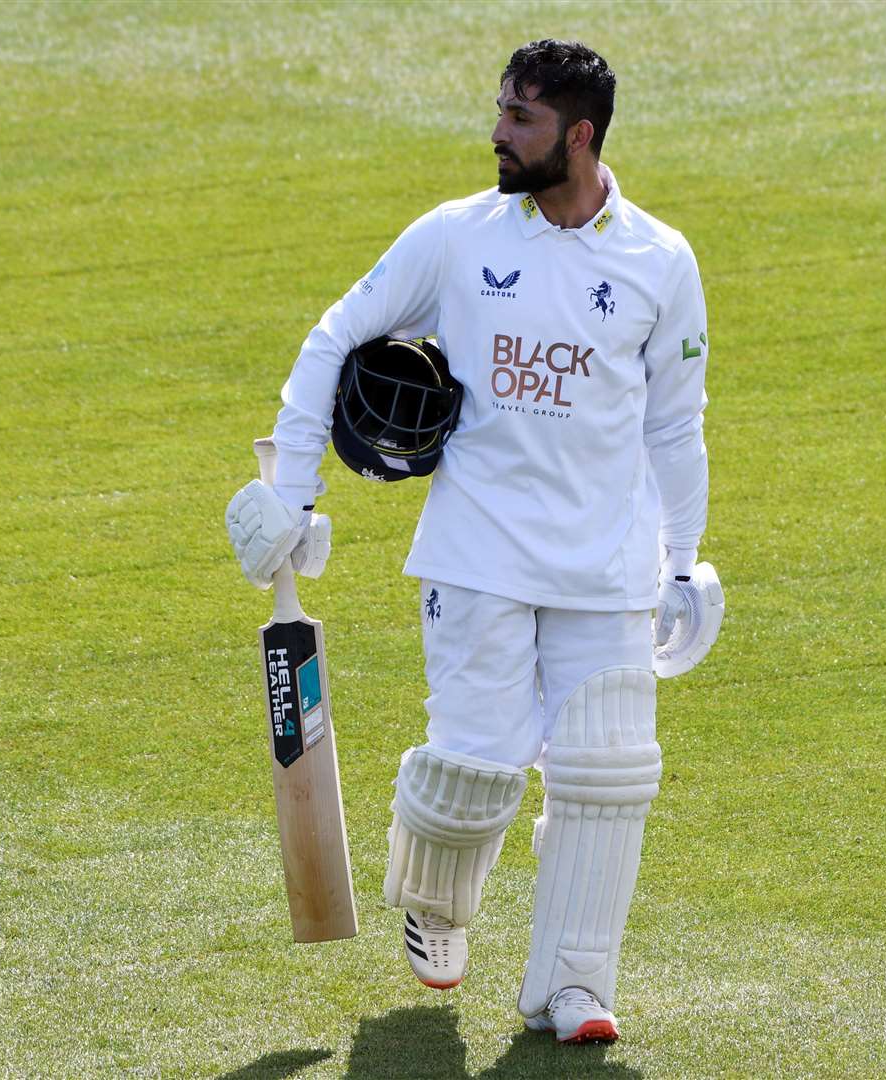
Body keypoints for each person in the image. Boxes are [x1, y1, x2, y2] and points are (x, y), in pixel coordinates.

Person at [227, 39, 712, 1045]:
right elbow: (335, 335)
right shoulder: (455, 239)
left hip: (604, 566)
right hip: (478, 554)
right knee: (477, 768)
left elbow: (674, 422)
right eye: (498, 110)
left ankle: (572, 987)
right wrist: (295, 492)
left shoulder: (657, 260)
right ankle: (437, 903)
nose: (496, 132)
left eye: (520, 118)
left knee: (608, 773)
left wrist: (679, 563)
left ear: (577, 137)